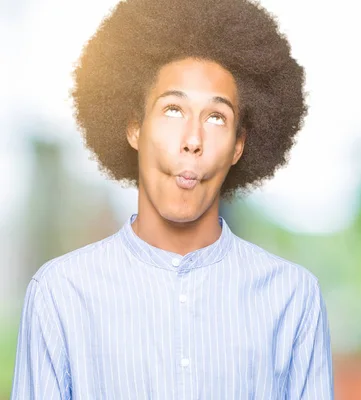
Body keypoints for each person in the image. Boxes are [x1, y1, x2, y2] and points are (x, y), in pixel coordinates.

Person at [10, 0, 333, 398]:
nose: (193, 140)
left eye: (217, 118)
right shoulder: (61, 294)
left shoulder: (292, 298)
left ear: (238, 146)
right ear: (133, 128)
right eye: (173, 110)